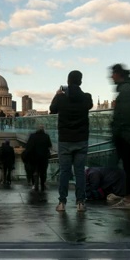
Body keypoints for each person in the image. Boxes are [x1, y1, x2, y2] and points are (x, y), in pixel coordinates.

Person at [49, 70, 93, 212]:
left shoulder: (61, 98)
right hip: (81, 139)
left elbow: (52, 109)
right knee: (79, 172)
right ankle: (80, 202)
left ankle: (62, 203)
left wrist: (57, 95)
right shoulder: (87, 98)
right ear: (80, 81)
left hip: (65, 140)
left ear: (68, 82)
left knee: (64, 172)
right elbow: (90, 105)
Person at [110, 63, 130, 208]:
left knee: (128, 166)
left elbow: (124, 116)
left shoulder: (126, 90)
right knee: (126, 166)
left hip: (126, 135)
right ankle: (127, 196)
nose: (111, 76)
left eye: (113, 74)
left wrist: (117, 133)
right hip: (126, 134)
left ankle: (129, 198)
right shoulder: (125, 89)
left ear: (118, 74)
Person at [25, 124, 52, 192]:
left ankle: (34, 184)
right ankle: (42, 184)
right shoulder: (46, 136)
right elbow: (49, 146)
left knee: (34, 170)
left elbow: (28, 146)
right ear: (43, 129)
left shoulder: (32, 136)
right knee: (43, 172)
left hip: (34, 157)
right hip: (43, 158)